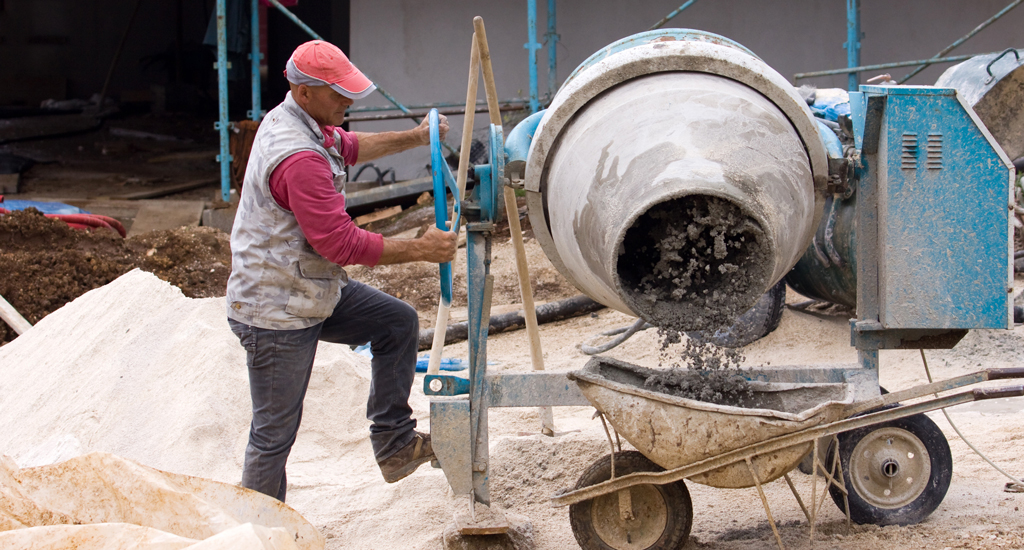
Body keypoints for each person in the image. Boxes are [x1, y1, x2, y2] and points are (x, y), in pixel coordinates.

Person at [225, 39, 457, 502]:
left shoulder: (305, 119)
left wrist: (414, 137)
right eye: (338, 95)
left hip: (308, 286)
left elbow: (350, 146)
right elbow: (340, 242)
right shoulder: (299, 156)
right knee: (274, 436)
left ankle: (395, 443)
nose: (347, 103)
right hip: (276, 309)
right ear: (304, 91)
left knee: (397, 322)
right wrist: (422, 249)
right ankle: (258, 533)